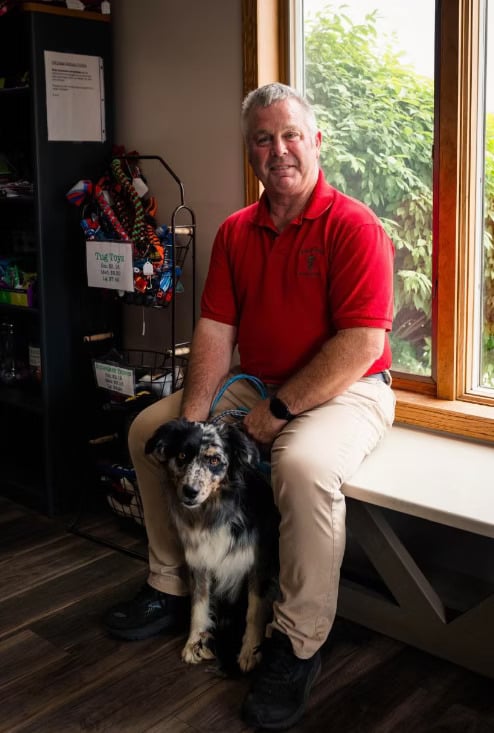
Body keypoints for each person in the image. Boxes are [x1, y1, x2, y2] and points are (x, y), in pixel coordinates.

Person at [104, 82, 396, 730]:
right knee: (150, 430)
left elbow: (361, 343)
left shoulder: (355, 226)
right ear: (250, 153)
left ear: (316, 140)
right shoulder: (238, 231)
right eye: (263, 139)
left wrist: (276, 416)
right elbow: (214, 329)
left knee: (301, 469)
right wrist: (197, 419)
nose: (279, 149)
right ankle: (168, 583)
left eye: (291, 134)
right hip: (258, 379)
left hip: (350, 388)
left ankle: (296, 641)